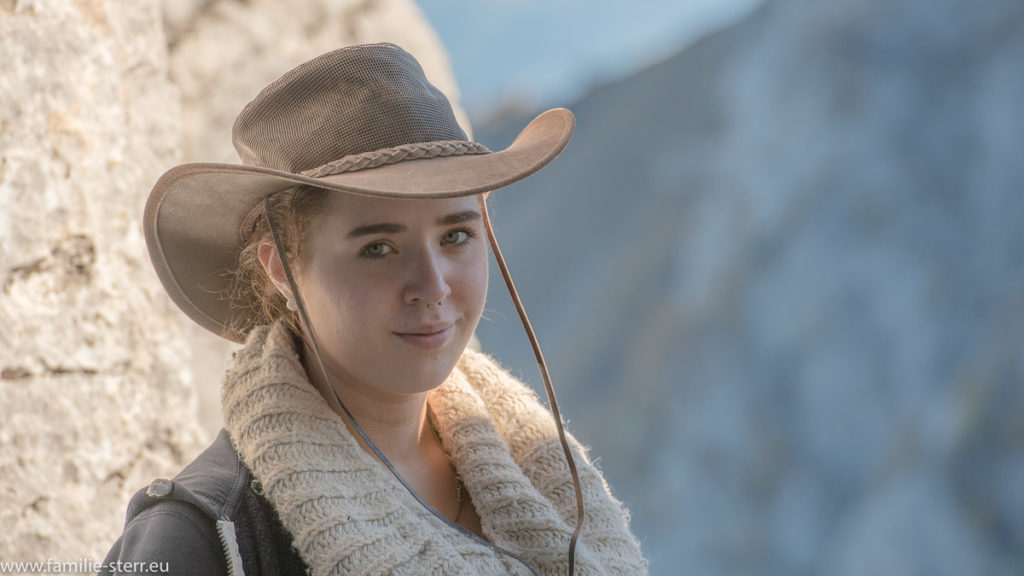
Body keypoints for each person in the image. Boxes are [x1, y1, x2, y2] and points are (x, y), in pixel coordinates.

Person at [101, 43, 647, 576]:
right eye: (378, 249)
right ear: (280, 266)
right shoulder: (203, 539)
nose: (431, 287)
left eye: (456, 235)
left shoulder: (543, 473)